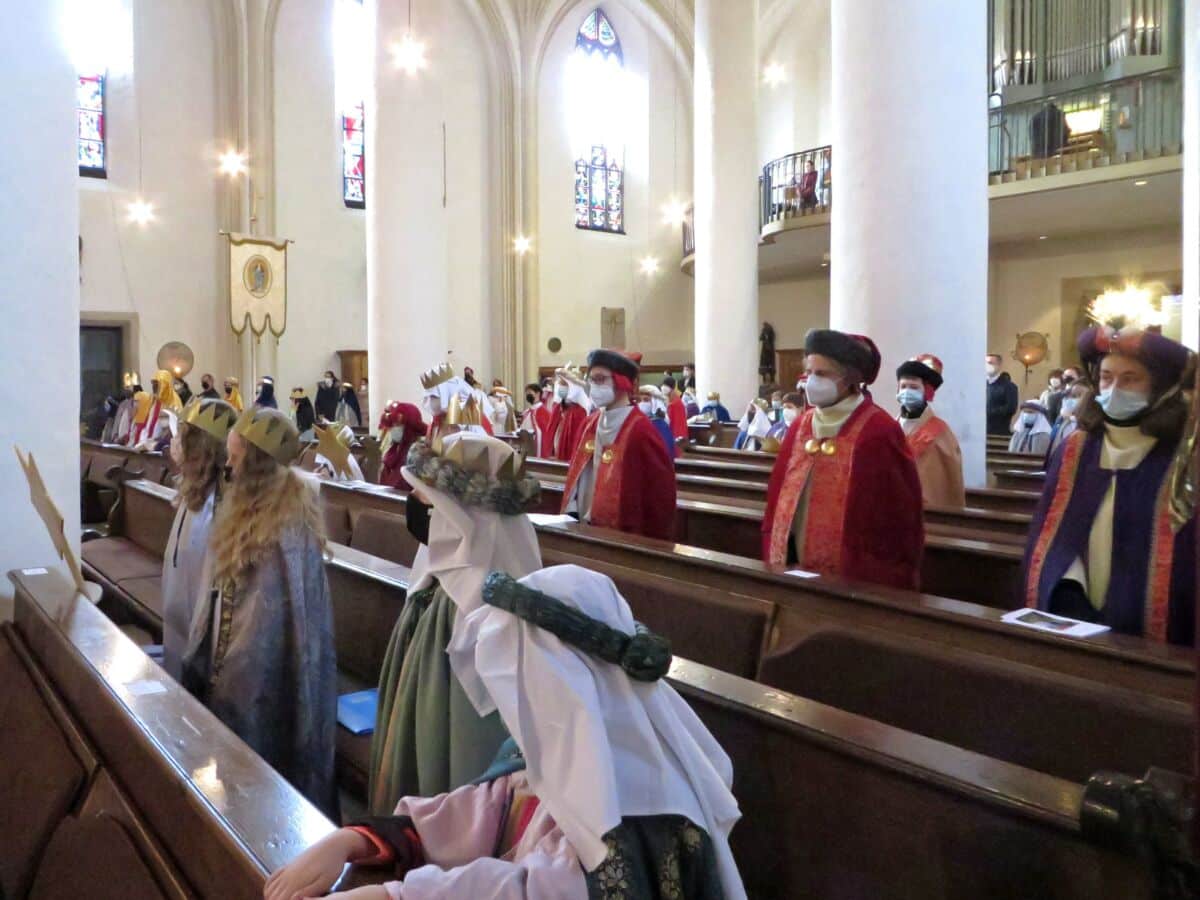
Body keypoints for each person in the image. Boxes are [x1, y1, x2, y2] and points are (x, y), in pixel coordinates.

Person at [267, 566, 746, 900]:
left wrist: (397, 894)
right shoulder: (560, 749)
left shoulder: (638, 809)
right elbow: (479, 812)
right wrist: (354, 841)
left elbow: (538, 893)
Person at [369, 432, 542, 813]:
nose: (415, 503)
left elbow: (472, 724)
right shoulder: (440, 567)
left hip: (451, 726)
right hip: (417, 705)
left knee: (447, 775)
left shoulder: (482, 593)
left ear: (461, 512)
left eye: (426, 497)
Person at [181, 407, 337, 817]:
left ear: (257, 464)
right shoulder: (246, 508)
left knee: (266, 773)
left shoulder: (286, 527)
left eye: (235, 456)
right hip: (235, 665)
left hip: (264, 673)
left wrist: (227, 674)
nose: (228, 465)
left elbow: (269, 623)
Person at [1023, 326, 1196, 644]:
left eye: (1130, 379)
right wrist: (1068, 587)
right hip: (1078, 616)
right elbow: (1052, 533)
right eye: (1106, 377)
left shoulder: (1185, 458)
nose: (1115, 389)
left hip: (1161, 633)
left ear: (1160, 388)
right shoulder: (1075, 449)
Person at [762, 329, 924, 589]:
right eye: (809, 372)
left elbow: (898, 519)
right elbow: (777, 499)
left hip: (854, 580)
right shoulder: (799, 427)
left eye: (822, 373)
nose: (811, 381)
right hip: (792, 569)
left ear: (849, 378)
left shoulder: (879, 431)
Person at [560, 349, 677, 541]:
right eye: (591, 379)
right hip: (582, 528)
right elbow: (577, 476)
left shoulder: (641, 431)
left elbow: (659, 497)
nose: (594, 386)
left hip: (622, 537)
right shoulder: (590, 423)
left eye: (600, 379)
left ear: (622, 381)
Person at [162, 397, 237, 682]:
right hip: (179, 614)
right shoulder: (195, 492)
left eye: (182, 436)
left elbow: (206, 586)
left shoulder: (220, 504)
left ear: (199, 447)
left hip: (204, 627)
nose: (176, 443)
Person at [895, 354, 966, 508]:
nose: (907, 392)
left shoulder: (940, 432)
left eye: (914, 387)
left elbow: (949, 480)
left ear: (926, 391)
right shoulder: (890, 427)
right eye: (903, 386)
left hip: (925, 510)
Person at [377, 401, 427, 489]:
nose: (392, 429)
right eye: (391, 425)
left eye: (396, 425)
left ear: (409, 427)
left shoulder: (418, 456)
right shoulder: (393, 452)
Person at [548, 364, 592, 461]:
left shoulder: (579, 412)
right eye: (560, 384)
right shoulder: (558, 408)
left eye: (565, 384)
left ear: (574, 387)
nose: (561, 387)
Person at [134, 369, 184, 450]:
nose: (153, 387)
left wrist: (156, 443)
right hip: (149, 445)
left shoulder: (174, 401)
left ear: (164, 384)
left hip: (163, 447)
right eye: (153, 384)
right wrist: (143, 442)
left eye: (156, 384)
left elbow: (174, 428)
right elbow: (148, 423)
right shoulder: (153, 401)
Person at [1046, 378, 1092, 460]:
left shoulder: (1092, 423)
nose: (1075, 399)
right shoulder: (1062, 419)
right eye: (1073, 396)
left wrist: (1072, 418)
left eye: (1080, 395)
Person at [637, 384, 677, 459]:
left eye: (645, 400)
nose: (641, 404)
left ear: (655, 402)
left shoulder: (660, 425)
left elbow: (666, 453)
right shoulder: (640, 422)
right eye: (639, 400)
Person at [986, 353, 1019, 436]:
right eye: (985, 363)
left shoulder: (1009, 387)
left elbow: (1010, 408)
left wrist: (988, 412)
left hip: (998, 432)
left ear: (999, 365)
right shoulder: (979, 384)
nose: (987, 365)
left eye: (990, 363)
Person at [519, 381, 554, 457]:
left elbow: (547, 434)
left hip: (537, 446)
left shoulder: (544, 411)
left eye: (529, 392)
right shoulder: (528, 411)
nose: (527, 395)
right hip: (527, 443)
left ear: (538, 393)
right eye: (526, 393)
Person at [661, 375, 689, 442]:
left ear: (671, 388)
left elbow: (674, 424)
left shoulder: (674, 404)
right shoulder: (674, 401)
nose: (662, 387)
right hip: (678, 437)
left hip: (676, 438)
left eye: (665, 385)